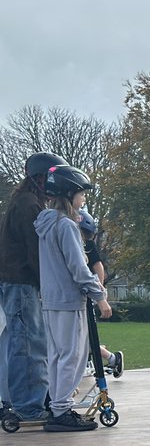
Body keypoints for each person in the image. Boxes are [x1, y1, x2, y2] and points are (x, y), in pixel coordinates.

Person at [35, 164, 112, 431]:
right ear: (69, 194)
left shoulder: (46, 224)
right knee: (73, 357)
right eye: (81, 194)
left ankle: (58, 406)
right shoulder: (66, 225)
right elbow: (78, 268)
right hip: (68, 300)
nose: (84, 199)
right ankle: (61, 411)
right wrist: (100, 295)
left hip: (50, 300)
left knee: (58, 356)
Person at [0, 152, 60, 422]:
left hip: (16, 282)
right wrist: (49, 283)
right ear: (40, 178)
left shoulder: (24, 201)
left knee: (22, 342)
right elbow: (36, 251)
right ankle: (29, 407)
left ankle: (26, 401)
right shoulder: (28, 205)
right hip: (21, 283)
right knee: (28, 345)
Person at [78, 211, 123, 376]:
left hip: (85, 293)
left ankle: (109, 358)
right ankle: (110, 357)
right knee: (80, 335)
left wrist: (100, 290)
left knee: (84, 334)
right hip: (75, 293)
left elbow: (98, 266)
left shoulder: (87, 245)